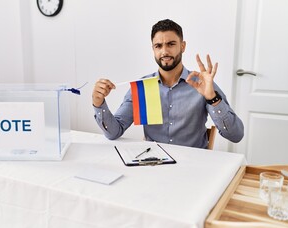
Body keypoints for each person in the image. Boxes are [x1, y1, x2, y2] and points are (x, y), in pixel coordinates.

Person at [92, 19, 244, 149]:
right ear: (153, 49)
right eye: (158, 46)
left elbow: (236, 135)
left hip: (194, 167)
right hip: (153, 165)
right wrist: (99, 104)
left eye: (171, 44)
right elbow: (114, 132)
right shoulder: (142, 88)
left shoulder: (203, 85)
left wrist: (212, 98)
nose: (164, 51)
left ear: (182, 46)